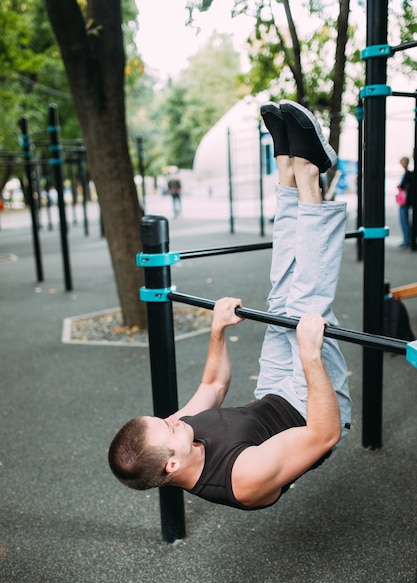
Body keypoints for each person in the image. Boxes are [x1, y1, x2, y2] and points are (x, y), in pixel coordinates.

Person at [108, 100, 352, 510]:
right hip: (315, 409)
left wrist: (217, 330)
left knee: (281, 299)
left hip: (272, 392)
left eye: (163, 420)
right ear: (171, 465)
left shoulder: (176, 438)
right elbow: (323, 435)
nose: (174, 419)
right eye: (168, 427)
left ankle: (289, 172)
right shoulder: (241, 478)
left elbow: (213, 387)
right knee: (307, 304)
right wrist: (310, 355)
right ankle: (311, 174)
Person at [397, 156, 413, 248]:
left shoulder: (407, 174)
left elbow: (403, 186)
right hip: (404, 200)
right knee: (404, 221)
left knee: (404, 221)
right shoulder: (407, 173)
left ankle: (407, 240)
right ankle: (407, 239)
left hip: (405, 201)